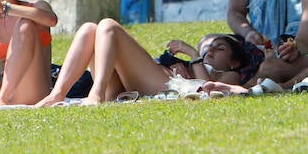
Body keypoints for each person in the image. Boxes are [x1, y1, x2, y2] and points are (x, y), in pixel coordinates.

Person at [40, 25, 253, 104]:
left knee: (108, 27)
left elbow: (207, 89)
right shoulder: (192, 64)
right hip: (133, 84)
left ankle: (95, 94)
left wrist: (194, 54)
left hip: (168, 86)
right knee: (89, 29)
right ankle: (56, 95)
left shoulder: (229, 75)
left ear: (234, 62)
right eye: (210, 47)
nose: (212, 51)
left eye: (220, 48)